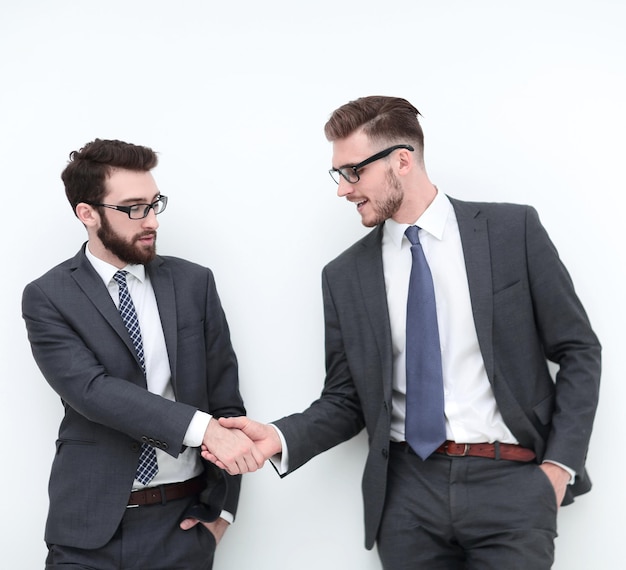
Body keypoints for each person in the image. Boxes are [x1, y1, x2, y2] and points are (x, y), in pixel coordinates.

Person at [207, 96, 602, 569]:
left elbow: (579, 349)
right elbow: (346, 399)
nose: (343, 189)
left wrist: (558, 468)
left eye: (353, 171)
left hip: (512, 480)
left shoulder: (511, 230)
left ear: (402, 160)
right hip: (407, 495)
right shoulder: (345, 274)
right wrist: (278, 435)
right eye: (339, 174)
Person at [22, 139, 264, 570]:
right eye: (133, 208)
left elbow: (226, 403)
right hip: (87, 534)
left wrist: (222, 513)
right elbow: (93, 391)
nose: (150, 220)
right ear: (87, 213)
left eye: (154, 204)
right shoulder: (48, 297)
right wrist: (202, 429)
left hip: (182, 526)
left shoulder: (194, 284)